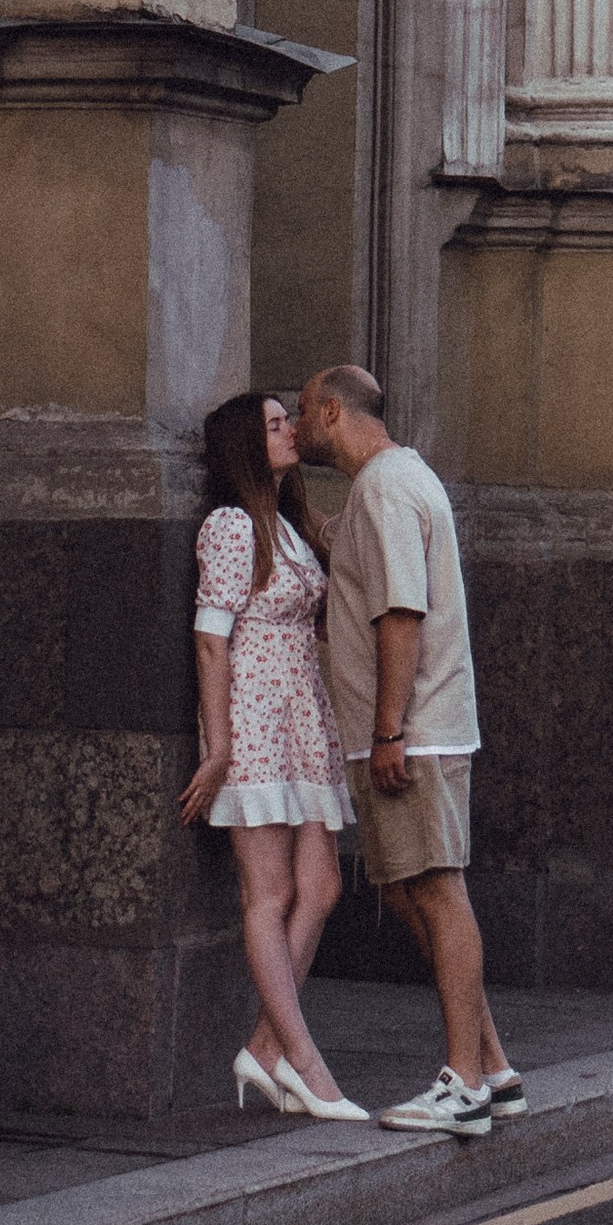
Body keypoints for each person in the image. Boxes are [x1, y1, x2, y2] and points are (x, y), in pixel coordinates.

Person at [296, 363, 520, 1139]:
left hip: (412, 733)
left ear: (331, 412)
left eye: (300, 415)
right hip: (411, 731)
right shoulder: (392, 482)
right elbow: (360, 568)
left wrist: (389, 729)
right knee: (407, 891)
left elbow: (401, 613)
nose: (294, 428)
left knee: (435, 890)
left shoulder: (387, 488)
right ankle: (491, 1064)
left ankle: (462, 1083)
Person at [177, 391, 369, 1124]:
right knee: (270, 895)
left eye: (289, 418)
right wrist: (219, 745)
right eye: (275, 424)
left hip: (302, 717)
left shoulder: (287, 523)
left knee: (320, 887)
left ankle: (264, 1050)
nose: (290, 430)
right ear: (245, 446)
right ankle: (306, 1063)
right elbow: (210, 638)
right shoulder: (229, 527)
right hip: (254, 719)